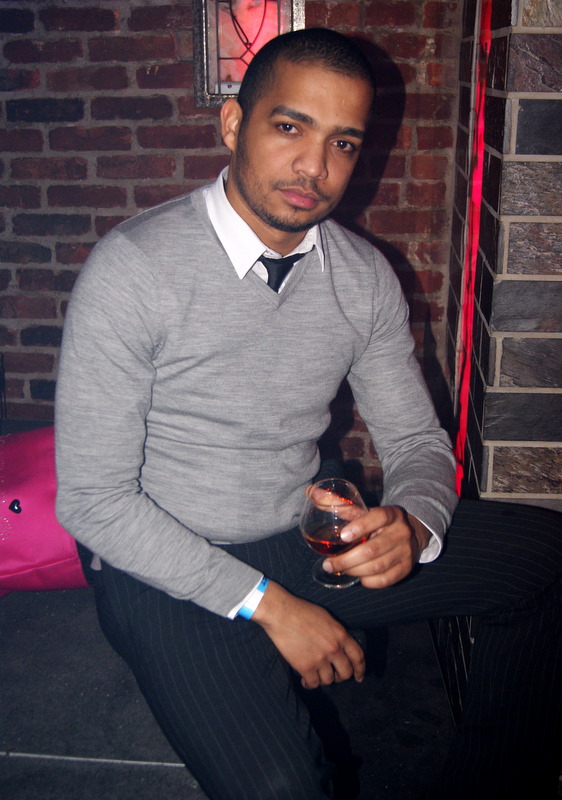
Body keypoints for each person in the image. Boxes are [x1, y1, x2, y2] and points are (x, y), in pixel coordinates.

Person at [55, 28, 561, 800]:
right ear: (234, 124)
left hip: (301, 537)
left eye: (343, 143)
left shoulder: (363, 277)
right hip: (164, 565)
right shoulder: (135, 270)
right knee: (282, 788)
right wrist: (271, 607)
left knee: (545, 561)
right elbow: (94, 502)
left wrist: (414, 525)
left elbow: (416, 441)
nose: (314, 168)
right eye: (290, 127)